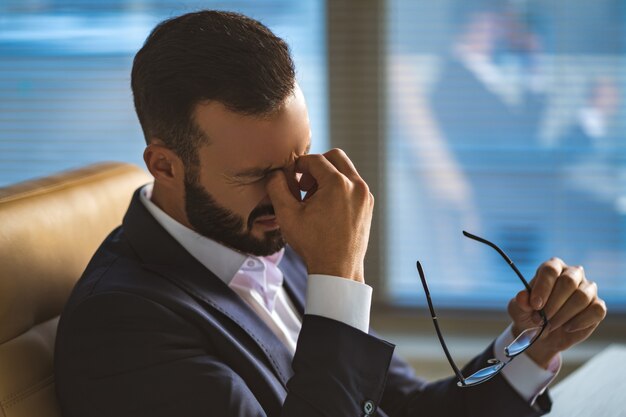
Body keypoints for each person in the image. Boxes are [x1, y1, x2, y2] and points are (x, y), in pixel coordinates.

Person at [54, 10, 606, 417]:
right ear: (165, 166)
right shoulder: (124, 325)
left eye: (296, 161)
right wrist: (339, 276)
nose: (291, 195)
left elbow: (402, 407)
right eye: (251, 176)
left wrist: (533, 346)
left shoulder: (271, 236)